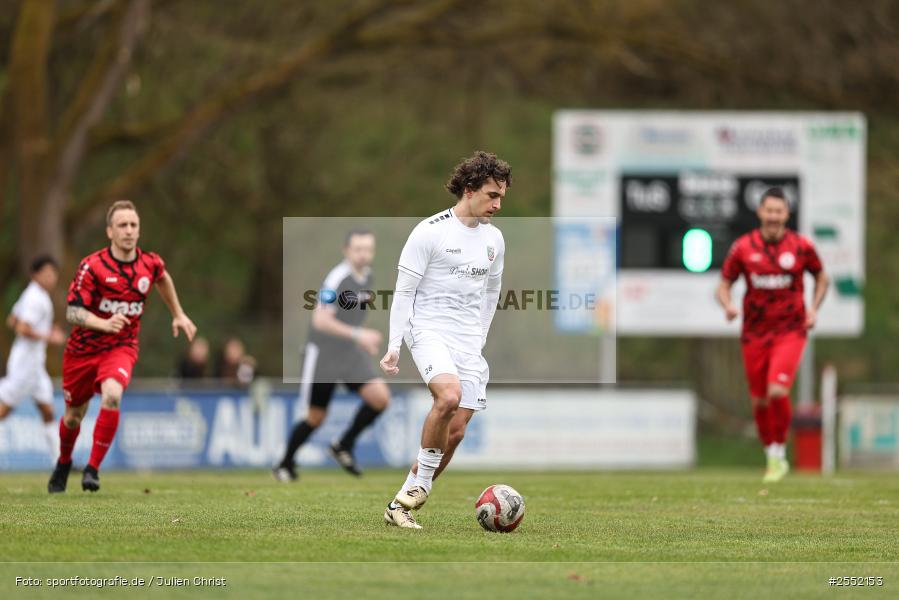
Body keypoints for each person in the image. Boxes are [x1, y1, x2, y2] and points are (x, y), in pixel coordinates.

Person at [379, 151, 509, 528]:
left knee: (456, 431)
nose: (498, 204)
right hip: (428, 330)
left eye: (501, 196)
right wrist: (393, 343)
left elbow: (492, 292)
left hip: (468, 341)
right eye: (491, 195)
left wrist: (479, 338)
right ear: (469, 190)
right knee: (448, 397)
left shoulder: (494, 240)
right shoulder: (429, 232)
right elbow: (403, 292)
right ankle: (420, 486)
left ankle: (399, 505)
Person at [48, 200, 197, 493]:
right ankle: (64, 462)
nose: (129, 231)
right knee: (73, 416)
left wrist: (178, 313)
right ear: (109, 231)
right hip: (82, 351)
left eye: (133, 225)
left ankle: (92, 470)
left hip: (121, 347)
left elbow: (162, 278)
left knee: (112, 394)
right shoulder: (92, 266)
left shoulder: (149, 264)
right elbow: (73, 312)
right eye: (122, 225)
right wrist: (103, 323)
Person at [717, 187, 829, 483]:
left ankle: (779, 452)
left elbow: (821, 276)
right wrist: (727, 305)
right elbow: (724, 283)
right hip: (754, 333)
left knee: (777, 391)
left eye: (779, 211)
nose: (774, 216)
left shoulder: (801, 247)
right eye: (769, 210)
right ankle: (771, 454)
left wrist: (814, 308)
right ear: (760, 213)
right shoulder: (743, 247)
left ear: (787, 214)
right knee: (760, 401)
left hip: (790, 330)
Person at [273, 229, 391, 481]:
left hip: (348, 353)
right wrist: (359, 335)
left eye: (368, 249)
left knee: (380, 398)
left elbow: (351, 319)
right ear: (346, 251)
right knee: (316, 417)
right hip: (323, 355)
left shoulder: (367, 277)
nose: (363, 254)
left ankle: (343, 445)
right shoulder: (337, 278)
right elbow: (320, 320)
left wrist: (361, 342)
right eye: (358, 249)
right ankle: (284, 464)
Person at [0, 256, 66, 460]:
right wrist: (50, 336)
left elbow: (11, 320)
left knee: (47, 410)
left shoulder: (32, 293)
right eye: (46, 273)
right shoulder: (35, 298)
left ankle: (60, 463)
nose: (51, 278)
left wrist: (44, 330)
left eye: (53, 273)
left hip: (35, 365)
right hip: (25, 365)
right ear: (35, 275)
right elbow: (22, 328)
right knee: (4, 409)